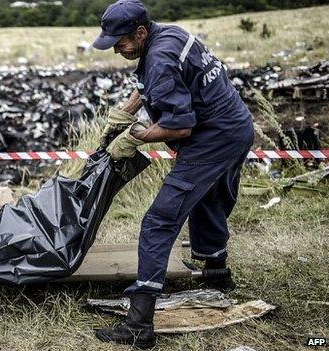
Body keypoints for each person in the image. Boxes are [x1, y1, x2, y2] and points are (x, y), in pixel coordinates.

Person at [92, 0, 254, 348]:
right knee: (207, 199)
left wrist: (135, 138)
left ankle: (139, 325)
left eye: (121, 42)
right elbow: (152, 85)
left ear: (140, 32)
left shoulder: (160, 58)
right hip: (237, 127)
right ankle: (216, 275)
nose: (117, 49)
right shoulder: (168, 34)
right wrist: (124, 112)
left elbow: (180, 126)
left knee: (159, 221)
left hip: (212, 138)